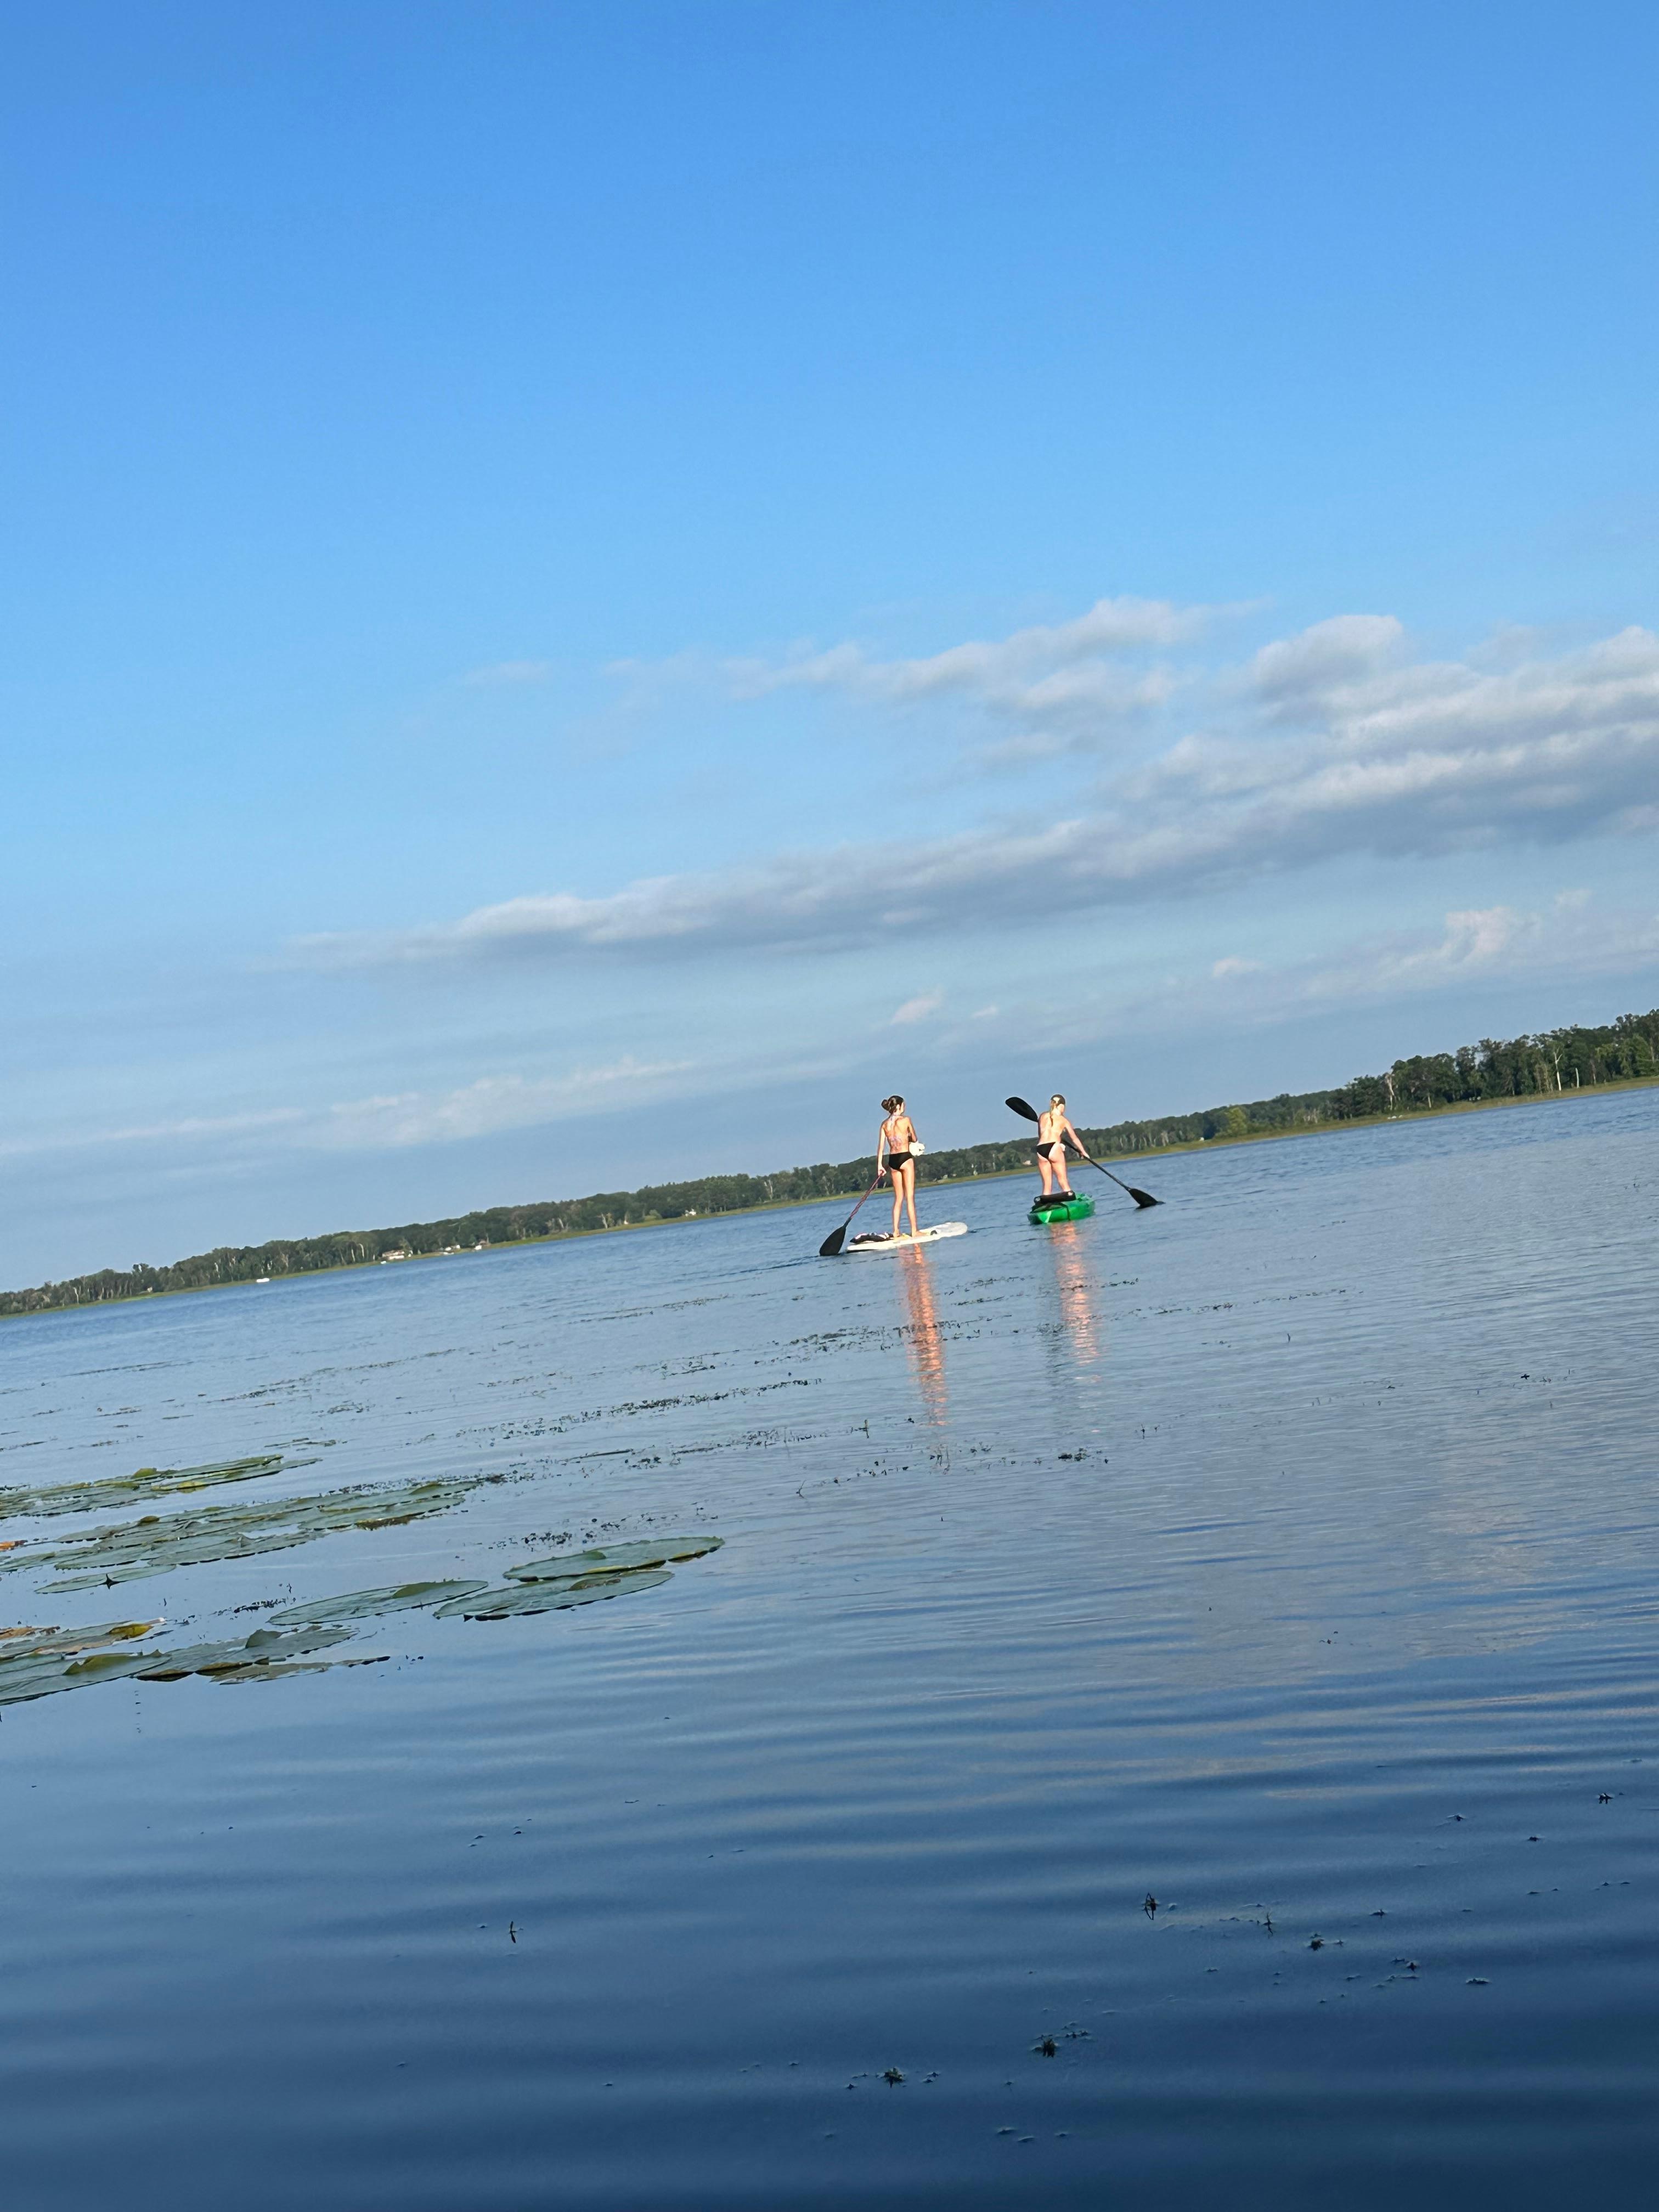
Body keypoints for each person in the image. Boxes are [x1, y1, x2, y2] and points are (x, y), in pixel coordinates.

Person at [877, 1094, 923, 1239]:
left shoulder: (885, 1125)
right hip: (905, 1158)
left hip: (893, 1160)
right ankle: (914, 1231)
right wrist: (908, 1137)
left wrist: (880, 1165)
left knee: (898, 1198)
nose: (905, 1108)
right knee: (909, 1197)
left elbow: (881, 1148)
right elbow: (915, 1139)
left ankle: (896, 1231)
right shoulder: (906, 1120)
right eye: (903, 1105)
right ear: (899, 1106)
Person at [1035, 1094, 1091, 1199]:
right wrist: (1083, 1152)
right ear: (1061, 1106)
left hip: (1040, 1149)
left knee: (1047, 1186)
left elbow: (1041, 1136)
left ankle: (1044, 1204)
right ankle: (1069, 1199)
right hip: (1054, 1148)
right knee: (1063, 1181)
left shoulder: (1042, 1116)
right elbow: (1074, 1139)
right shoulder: (1064, 1120)